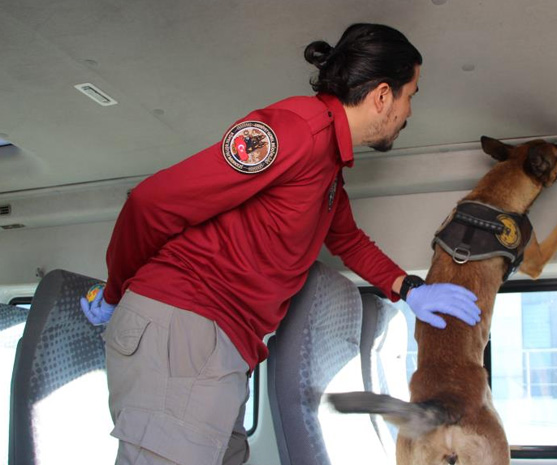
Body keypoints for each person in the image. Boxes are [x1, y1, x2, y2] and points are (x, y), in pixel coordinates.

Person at [80, 23, 482, 465]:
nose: (408, 111)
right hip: (186, 323)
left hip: (221, 344)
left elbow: (346, 237)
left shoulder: (329, 164)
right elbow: (150, 202)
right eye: (411, 95)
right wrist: (116, 292)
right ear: (383, 96)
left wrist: (410, 289)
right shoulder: (293, 132)